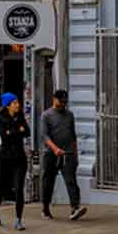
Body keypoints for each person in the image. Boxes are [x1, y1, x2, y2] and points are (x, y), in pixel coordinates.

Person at [41, 89, 87, 221]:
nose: (63, 105)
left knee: (71, 180)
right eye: (61, 102)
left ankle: (75, 207)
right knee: (48, 181)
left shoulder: (69, 115)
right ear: (55, 100)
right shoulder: (46, 115)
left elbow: (73, 135)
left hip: (68, 152)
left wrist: (75, 153)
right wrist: (55, 149)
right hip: (51, 153)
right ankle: (45, 208)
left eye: (65, 102)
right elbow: (45, 136)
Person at [0, 92, 30, 230]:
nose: (18, 105)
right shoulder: (1, 118)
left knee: (19, 188)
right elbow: (5, 136)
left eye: (17, 102)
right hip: (5, 158)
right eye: (14, 103)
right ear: (8, 105)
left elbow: (27, 132)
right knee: (1, 189)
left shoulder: (20, 117)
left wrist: (14, 131)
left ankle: (18, 219)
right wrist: (17, 130)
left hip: (20, 158)